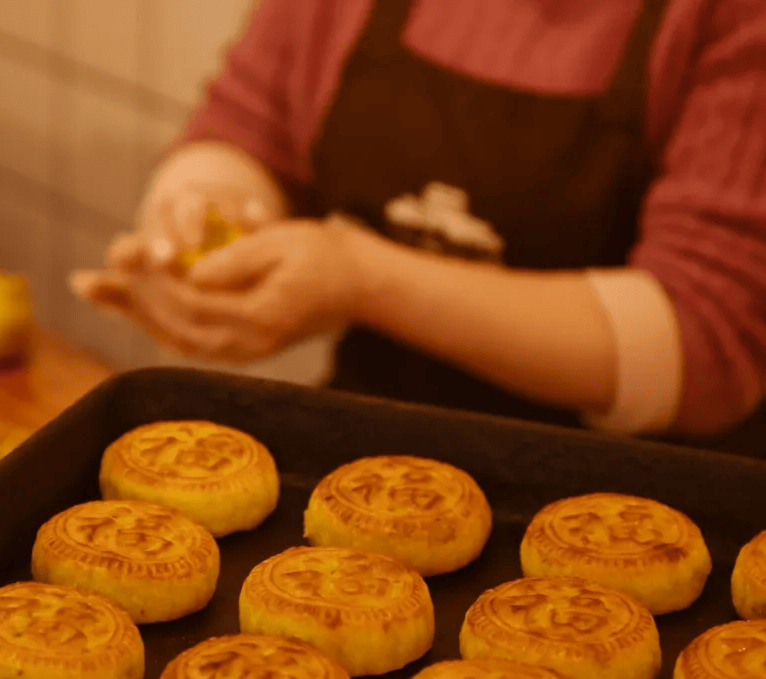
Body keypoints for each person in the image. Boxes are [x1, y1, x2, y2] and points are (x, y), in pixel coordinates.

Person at [70, 0, 766, 455]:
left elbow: (701, 343)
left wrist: (363, 279)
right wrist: (198, 212)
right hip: (361, 457)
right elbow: (249, 125)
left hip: (639, 508)